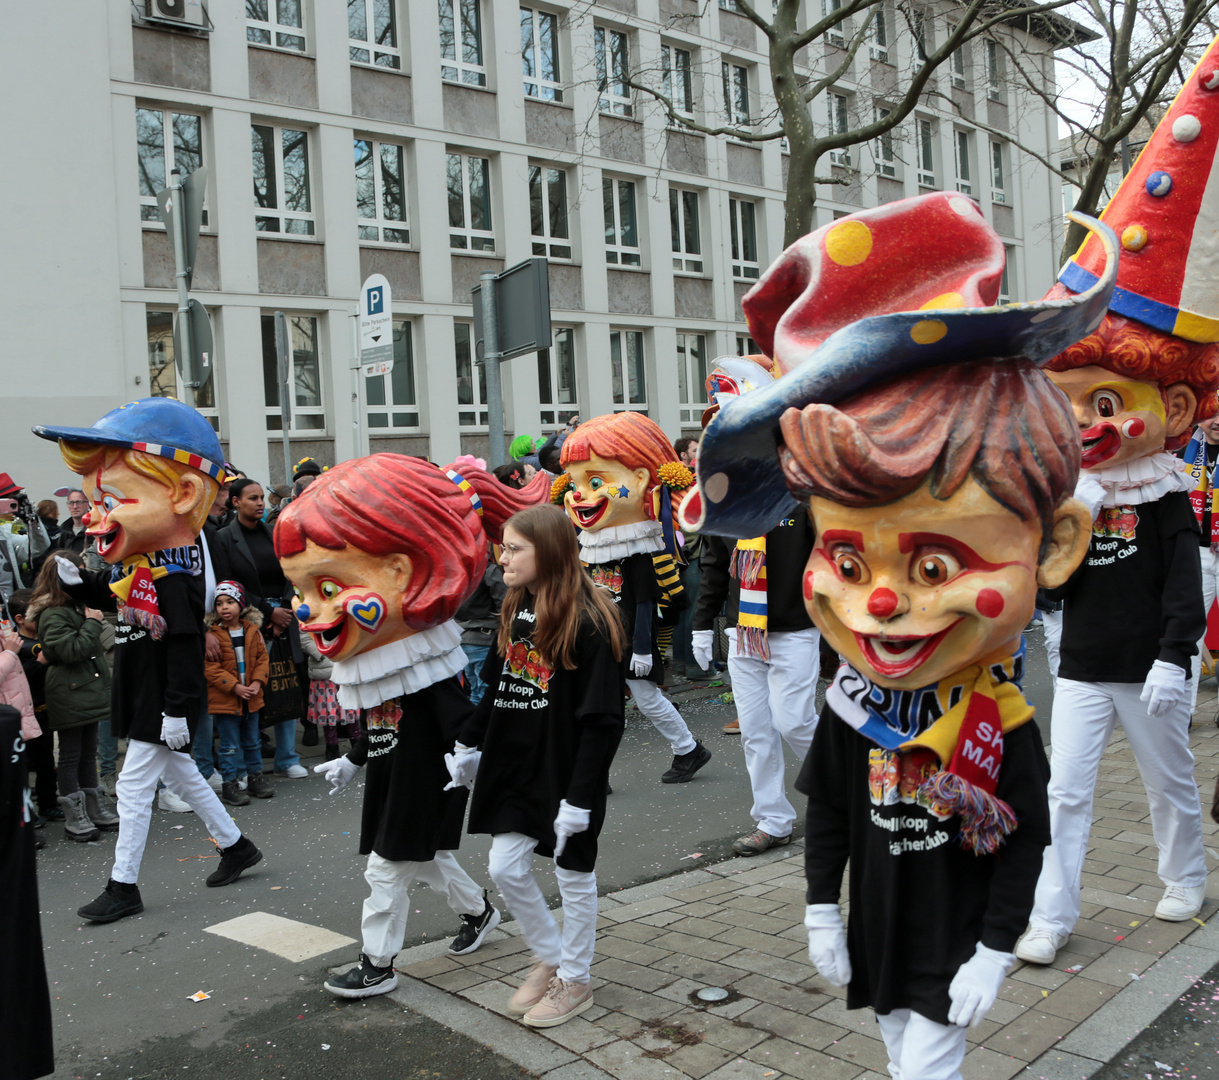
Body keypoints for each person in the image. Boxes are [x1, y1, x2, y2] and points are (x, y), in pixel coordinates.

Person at [681, 192, 1110, 1080]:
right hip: (878, 931)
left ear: (1055, 545)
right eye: (843, 559)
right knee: (895, 1057)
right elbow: (832, 810)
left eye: (931, 566)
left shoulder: (997, 726)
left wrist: (996, 947)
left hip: (951, 938)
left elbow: (1022, 836)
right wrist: (818, 911)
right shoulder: (853, 704)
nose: (875, 607)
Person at [1015, 75, 1219, 959]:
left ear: (1170, 406)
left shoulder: (1166, 492)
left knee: (1167, 778)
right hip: (1084, 664)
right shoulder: (1070, 496)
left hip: (1149, 666)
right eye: (1071, 407)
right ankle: (1050, 916)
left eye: (1107, 404)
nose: (1087, 428)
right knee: (1065, 790)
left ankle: (1185, 876)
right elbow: (1042, 574)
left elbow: (1183, 576)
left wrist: (1179, 656)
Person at [276, 455, 550, 998]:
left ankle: (377, 963)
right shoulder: (386, 660)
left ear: (400, 573)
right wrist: (355, 757)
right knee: (427, 859)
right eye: (301, 592)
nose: (306, 611)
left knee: (387, 869)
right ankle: (478, 913)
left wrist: (483, 754)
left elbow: (464, 719)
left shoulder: (424, 666)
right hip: (395, 773)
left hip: (425, 779)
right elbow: (385, 716)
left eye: (327, 589)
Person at [32, 397, 263, 921]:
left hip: (163, 700)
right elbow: (122, 599)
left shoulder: (174, 577)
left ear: (182, 495)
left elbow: (183, 645)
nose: (97, 516)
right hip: (144, 693)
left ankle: (123, 886)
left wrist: (180, 710)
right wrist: (85, 582)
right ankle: (236, 846)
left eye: (111, 499)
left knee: (134, 789)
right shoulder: (143, 570)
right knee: (184, 778)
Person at [451, 504, 626, 1028]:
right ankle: (550, 953)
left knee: (574, 874)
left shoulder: (590, 619)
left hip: (567, 772)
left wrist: (579, 797)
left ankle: (576, 979)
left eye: (514, 548)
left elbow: (603, 721)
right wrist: (467, 743)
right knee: (504, 866)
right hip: (515, 766)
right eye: (503, 546)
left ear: (547, 553)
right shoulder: (515, 607)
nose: (502, 557)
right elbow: (498, 686)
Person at [685, 356, 821, 856]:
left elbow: (831, 557)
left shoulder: (801, 490)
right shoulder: (726, 492)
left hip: (794, 627)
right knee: (756, 732)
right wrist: (703, 625)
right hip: (744, 631)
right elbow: (715, 565)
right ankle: (772, 820)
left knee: (794, 721)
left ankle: (840, 789)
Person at [557, 412, 710, 784]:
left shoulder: (639, 548)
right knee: (596, 705)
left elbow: (645, 601)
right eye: (576, 483)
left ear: (640, 480)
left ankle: (689, 749)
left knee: (646, 699)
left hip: (628, 639)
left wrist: (642, 648)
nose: (581, 494)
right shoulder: (588, 545)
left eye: (595, 480)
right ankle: (593, 771)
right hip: (598, 639)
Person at [212, 478, 310, 774]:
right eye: (252, 498)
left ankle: (288, 758)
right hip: (248, 619)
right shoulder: (224, 538)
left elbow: (292, 573)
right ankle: (243, 765)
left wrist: (284, 611)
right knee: (250, 691)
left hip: (284, 617)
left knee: (285, 685)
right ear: (235, 501)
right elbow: (228, 584)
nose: (259, 503)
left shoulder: (273, 532)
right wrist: (269, 612)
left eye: (260, 499)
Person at [28, 552, 118, 842]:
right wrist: (92, 623)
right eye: (78, 573)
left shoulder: (76, 606)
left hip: (85, 688)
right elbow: (70, 651)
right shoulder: (53, 612)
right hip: (69, 690)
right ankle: (74, 816)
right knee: (69, 755)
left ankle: (94, 808)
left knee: (86, 752)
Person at [205, 580, 274, 807]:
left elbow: (263, 660)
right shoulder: (214, 635)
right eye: (220, 603)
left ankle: (255, 777)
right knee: (228, 745)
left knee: (253, 741)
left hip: (251, 698)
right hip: (226, 700)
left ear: (241, 605)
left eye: (230, 602)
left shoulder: (252, 631)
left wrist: (257, 682)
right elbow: (210, 668)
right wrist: (234, 686)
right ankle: (229, 783)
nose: (225, 607)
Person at [1183, 407, 1219, 714]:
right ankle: (1186, 710)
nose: (1217, 421)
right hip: (1197, 549)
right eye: (1212, 413)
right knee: (1189, 631)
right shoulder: (1186, 451)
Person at [300, 628, 361, 761]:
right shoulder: (311, 609)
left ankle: (357, 743)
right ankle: (331, 745)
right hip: (323, 669)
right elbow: (303, 635)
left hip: (345, 664)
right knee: (328, 711)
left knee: (350, 708)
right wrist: (320, 653)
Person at [0, 474, 50, 608]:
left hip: (8, 614)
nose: (13, 505)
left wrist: (32, 521)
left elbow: (38, 547)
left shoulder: (5, 536)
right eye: (9, 500)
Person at [58, 489, 91, 556]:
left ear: (88, 505)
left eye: (79, 502)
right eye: (71, 503)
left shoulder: (94, 531)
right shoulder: (63, 531)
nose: (75, 507)